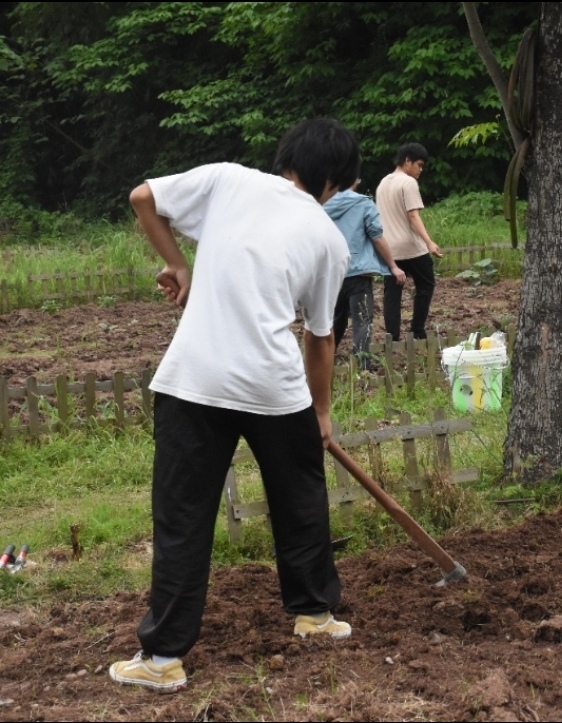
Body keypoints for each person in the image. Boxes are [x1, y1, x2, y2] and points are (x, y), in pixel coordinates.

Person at [109, 118, 361, 694]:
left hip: (193, 380)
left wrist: (179, 265)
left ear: (287, 158)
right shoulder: (326, 237)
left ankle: (163, 659)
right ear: (336, 183)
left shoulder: (229, 181)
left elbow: (143, 198)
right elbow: (319, 338)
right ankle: (315, 616)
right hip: (275, 388)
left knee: (182, 517)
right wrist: (320, 413)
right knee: (300, 501)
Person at [324, 176, 407, 370]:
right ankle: (362, 364)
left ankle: (327, 358)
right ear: (355, 179)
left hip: (332, 273)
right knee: (362, 320)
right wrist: (393, 266)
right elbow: (377, 237)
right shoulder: (363, 204)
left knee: (336, 318)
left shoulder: (322, 207)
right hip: (358, 273)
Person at [376, 143, 442, 341]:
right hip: (410, 247)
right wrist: (429, 242)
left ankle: (392, 337)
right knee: (426, 284)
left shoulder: (383, 183)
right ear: (407, 161)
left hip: (389, 248)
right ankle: (417, 330)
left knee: (392, 294)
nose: (420, 170)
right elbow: (413, 216)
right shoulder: (408, 183)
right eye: (419, 165)